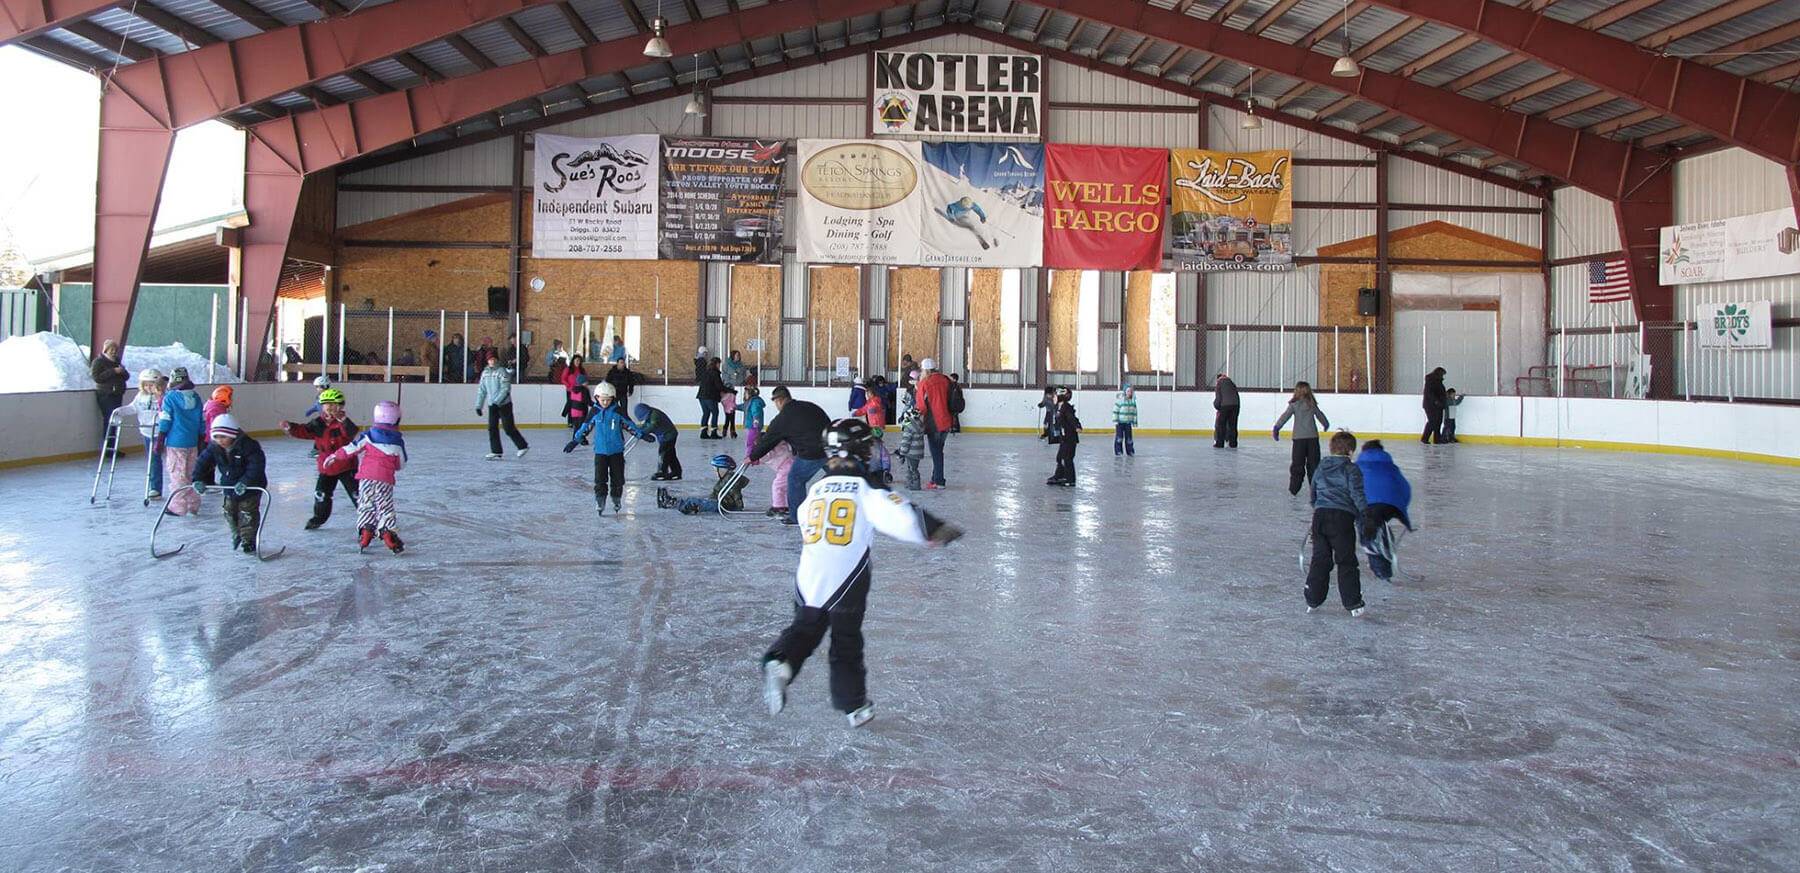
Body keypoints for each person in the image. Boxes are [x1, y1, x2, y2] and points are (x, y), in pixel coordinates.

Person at [759, 418, 963, 728]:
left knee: (804, 628)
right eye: (867, 447)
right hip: (847, 574)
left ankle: (782, 661)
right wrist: (935, 531)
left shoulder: (816, 489)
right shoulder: (866, 487)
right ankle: (853, 706)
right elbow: (901, 514)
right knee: (846, 640)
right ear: (858, 451)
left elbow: (802, 517)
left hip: (809, 571)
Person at [325, 400, 407, 554]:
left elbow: (351, 449)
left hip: (366, 478)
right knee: (385, 506)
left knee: (366, 503)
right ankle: (388, 533)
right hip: (385, 480)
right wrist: (393, 464)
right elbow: (401, 464)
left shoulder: (368, 436)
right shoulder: (397, 442)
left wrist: (335, 456)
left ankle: (366, 533)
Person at [1305, 431, 1368, 616]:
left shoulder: (1322, 466)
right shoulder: (1351, 469)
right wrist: (1365, 514)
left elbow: (1313, 492)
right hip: (1342, 520)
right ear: (1350, 451)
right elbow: (1357, 494)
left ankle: (1313, 599)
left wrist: (1318, 508)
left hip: (1320, 517)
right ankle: (1352, 602)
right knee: (1346, 560)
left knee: (1319, 559)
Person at [747, 386, 831, 524]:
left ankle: (797, 517)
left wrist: (752, 456)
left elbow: (767, 441)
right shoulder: (808, 406)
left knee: (795, 479)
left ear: (779, 400)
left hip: (811, 452)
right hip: (830, 447)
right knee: (840, 475)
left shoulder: (782, 418)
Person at [281, 388, 360, 530]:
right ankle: (319, 518)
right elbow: (304, 431)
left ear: (340, 406)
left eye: (333, 405)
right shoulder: (318, 423)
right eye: (326, 405)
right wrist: (291, 427)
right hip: (326, 468)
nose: (330, 408)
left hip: (346, 466)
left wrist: (343, 421)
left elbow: (351, 433)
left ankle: (368, 519)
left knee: (357, 495)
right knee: (321, 495)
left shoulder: (342, 423)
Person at [565, 382, 644, 517]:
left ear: (613, 399)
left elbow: (629, 424)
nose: (605, 402)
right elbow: (586, 427)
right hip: (600, 452)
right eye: (602, 400)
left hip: (617, 451)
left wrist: (641, 434)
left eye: (608, 400)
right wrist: (576, 440)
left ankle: (616, 498)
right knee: (600, 479)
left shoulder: (618, 411)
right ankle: (600, 500)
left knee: (618, 478)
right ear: (597, 398)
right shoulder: (594, 411)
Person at [192, 414, 268, 554]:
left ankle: (248, 540)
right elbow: (202, 463)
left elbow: (256, 466)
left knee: (247, 513)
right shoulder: (214, 447)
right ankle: (236, 533)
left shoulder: (249, 446)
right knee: (229, 511)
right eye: (216, 437)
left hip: (251, 487)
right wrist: (197, 479)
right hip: (229, 485)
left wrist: (245, 482)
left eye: (223, 437)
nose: (220, 440)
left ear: (232, 434)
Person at [1355, 439, 1413, 583]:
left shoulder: (1357, 467)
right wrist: (1401, 507)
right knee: (1379, 524)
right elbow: (1405, 488)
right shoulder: (1391, 467)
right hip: (1390, 506)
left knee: (1368, 529)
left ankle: (1381, 569)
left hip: (1366, 506)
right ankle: (1384, 557)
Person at [155, 368, 205, 517]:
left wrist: (160, 438)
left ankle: (177, 506)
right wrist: (202, 438)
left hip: (176, 443)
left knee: (177, 474)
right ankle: (193, 504)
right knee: (190, 473)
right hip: (192, 442)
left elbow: (165, 420)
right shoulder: (196, 397)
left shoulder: (170, 398)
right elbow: (202, 420)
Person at [1273, 382, 1330, 497]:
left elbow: (1285, 416)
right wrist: (1325, 424)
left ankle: (1294, 488)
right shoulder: (1311, 404)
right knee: (1314, 464)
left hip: (1299, 439)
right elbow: (1320, 415)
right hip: (1313, 438)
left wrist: (1277, 428)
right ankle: (1315, 488)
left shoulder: (1294, 405)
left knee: (1297, 464)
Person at [476, 352, 529, 460]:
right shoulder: (485, 373)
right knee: (492, 428)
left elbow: (505, 389)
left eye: (494, 359)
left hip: (504, 404)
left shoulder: (502, 372)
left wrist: (497, 401)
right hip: (492, 405)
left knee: (508, 427)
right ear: (487, 361)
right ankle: (496, 451)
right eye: (490, 359)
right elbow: (482, 390)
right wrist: (478, 405)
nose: (492, 361)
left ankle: (522, 446)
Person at [656, 454, 747, 515]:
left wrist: (738, 507)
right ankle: (674, 501)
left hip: (722, 507)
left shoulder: (730, 480)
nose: (715, 472)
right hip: (720, 503)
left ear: (723, 469)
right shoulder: (727, 478)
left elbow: (736, 496)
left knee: (694, 501)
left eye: (716, 469)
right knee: (695, 499)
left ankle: (671, 504)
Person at [913, 358, 954, 490]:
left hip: (934, 423)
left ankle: (939, 481)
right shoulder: (946, 380)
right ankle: (934, 479)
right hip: (947, 421)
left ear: (925, 370)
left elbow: (921, 407)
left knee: (936, 453)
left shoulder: (924, 383)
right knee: (938, 451)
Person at [130, 369, 166, 499]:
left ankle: (158, 487)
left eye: (152, 384)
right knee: (153, 459)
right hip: (146, 432)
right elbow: (133, 407)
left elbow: (166, 412)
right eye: (146, 384)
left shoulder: (164, 397)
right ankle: (155, 488)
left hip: (160, 432)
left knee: (157, 458)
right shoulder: (140, 396)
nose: (148, 387)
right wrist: (119, 411)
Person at [633, 401, 682, 481]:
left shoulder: (655, 415)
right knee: (671, 455)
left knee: (663, 453)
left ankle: (662, 472)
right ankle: (676, 472)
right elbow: (646, 424)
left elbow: (653, 425)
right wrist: (639, 429)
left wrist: (643, 432)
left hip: (668, 436)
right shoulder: (650, 413)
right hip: (666, 435)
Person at [90, 339, 129, 433]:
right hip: (106, 394)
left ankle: (113, 444)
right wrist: (113, 371)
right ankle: (107, 444)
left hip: (118, 394)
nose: (114, 352)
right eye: (111, 349)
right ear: (106, 350)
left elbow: (126, 376)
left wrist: (122, 372)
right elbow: (97, 378)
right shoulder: (98, 362)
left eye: (115, 349)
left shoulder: (117, 362)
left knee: (116, 419)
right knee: (109, 418)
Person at [1047, 387, 1081, 486]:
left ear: (1061, 397)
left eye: (1055, 396)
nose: (1053, 398)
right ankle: (1059, 475)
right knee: (1060, 457)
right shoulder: (1059, 407)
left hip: (1070, 438)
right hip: (1064, 437)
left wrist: (1077, 425)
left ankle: (1070, 479)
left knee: (1067, 458)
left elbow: (1072, 418)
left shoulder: (1066, 407)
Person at [894, 406, 925, 490]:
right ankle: (910, 483)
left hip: (911, 452)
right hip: (918, 452)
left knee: (912, 469)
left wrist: (902, 453)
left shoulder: (908, 428)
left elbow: (905, 442)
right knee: (913, 468)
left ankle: (915, 485)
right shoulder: (920, 424)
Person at [696, 357, 727, 440]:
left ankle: (703, 432)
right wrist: (729, 390)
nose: (719, 366)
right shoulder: (715, 373)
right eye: (719, 364)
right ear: (716, 364)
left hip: (702, 396)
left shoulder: (706, 372)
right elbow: (719, 386)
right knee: (715, 412)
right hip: (710, 396)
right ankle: (713, 432)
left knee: (706, 413)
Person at [561, 373, 593, 445]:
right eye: (586, 381)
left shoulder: (573, 390)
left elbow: (569, 402)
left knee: (577, 426)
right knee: (582, 427)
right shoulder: (584, 390)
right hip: (582, 411)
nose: (587, 383)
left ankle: (575, 439)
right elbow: (587, 401)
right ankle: (581, 439)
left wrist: (565, 412)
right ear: (582, 382)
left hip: (574, 412)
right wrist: (596, 405)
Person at [1213, 372, 1241, 449]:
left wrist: (1216, 406)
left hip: (1225, 406)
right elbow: (1236, 395)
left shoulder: (1219, 383)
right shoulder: (1231, 383)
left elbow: (1218, 398)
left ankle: (1219, 443)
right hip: (1236, 406)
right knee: (1233, 425)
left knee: (1221, 424)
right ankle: (1233, 443)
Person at [1422, 366, 1449, 444]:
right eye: (1443, 374)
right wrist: (1436, 401)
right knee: (1432, 421)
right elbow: (1430, 393)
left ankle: (1437, 439)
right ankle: (1425, 438)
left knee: (1438, 422)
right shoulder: (1431, 381)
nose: (1443, 376)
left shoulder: (1438, 381)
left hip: (1439, 405)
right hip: (1431, 405)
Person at [1113, 383, 1137, 457]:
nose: (1130, 393)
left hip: (1128, 423)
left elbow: (1135, 413)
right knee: (1119, 437)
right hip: (1120, 422)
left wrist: (1134, 422)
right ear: (1125, 392)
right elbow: (1115, 410)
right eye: (1128, 391)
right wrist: (1115, 420)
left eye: (1131, 391)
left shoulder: (1133, 402)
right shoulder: (1120, 401)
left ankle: (1130, 451)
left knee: (1129, 438)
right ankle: (1118, 451)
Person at [742, 385, 766, 458]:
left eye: (745, 394)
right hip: (752, 425)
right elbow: (744, 407)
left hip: (753, 425)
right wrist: (735, 407)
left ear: (750, 394)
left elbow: (755, 411)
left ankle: (749, 456)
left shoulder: (754, 402)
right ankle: (756, 454)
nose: (744, 395)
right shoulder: (750, 402)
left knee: (750, 441)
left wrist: (756, 419)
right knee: (755, 440)